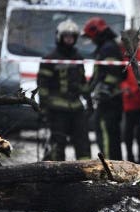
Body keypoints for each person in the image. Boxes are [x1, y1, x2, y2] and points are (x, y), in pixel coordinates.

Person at [37, 19, 91, 161]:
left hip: (76, 107)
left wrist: (89, 100)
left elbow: (82, 82)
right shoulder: (50, 58)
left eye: (72, 36)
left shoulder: (78, 57)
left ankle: (87, 174)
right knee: (57, 145)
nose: (69, 39)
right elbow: (42, 87)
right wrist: (43, 109)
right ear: (60, 37)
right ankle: (57, 176)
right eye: (66, 36)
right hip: (57, 110)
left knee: (83, 143)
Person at [82, 17, 124, 160]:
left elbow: (113, 73)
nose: (91, 40)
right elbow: (99, 74)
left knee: (106, 135)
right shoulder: (107, 47)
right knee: (110, 135)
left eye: (91, 37)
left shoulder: (108, 48)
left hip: (110, 100)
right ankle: (113, 165)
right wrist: (89, 88)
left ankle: (109, 167)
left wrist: (103, 89)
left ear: (97, 33)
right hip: (110, 99)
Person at [120, 29, 140, 164]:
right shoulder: (123, 53)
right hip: (129, 98)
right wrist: (124, 87)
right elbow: (120, 74)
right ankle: (130, 156)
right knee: (129, 129)